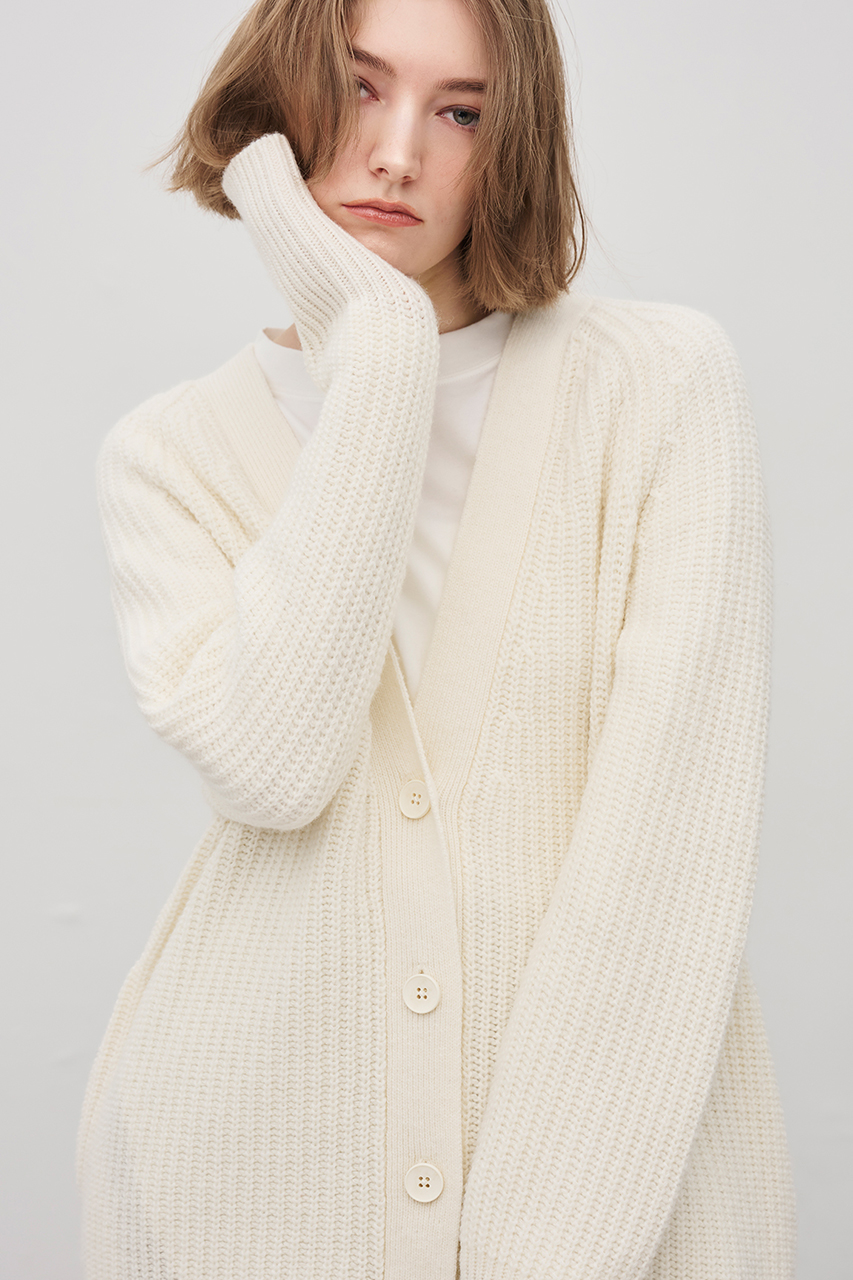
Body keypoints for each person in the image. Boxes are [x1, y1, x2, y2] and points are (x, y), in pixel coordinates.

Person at [76, 0, 797, 1275]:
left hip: (631, 1210)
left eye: (461, 111)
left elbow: (666, 850)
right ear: (276, 103)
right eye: (358, 88)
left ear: (514, 141)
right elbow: (274, 764)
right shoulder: (168, 455)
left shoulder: (658, 387)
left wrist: (544, 1245)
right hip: (247, 1189)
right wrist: (380, 348)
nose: (400, 151)